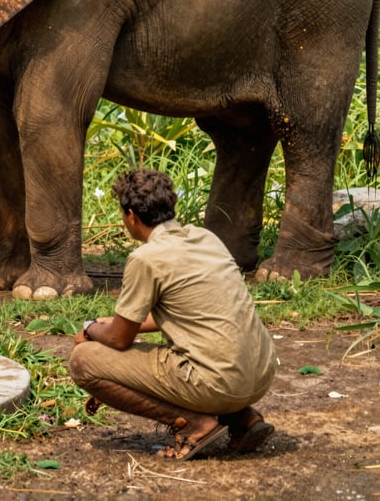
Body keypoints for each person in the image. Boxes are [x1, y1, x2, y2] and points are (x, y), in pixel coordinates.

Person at [69, 169, 278, 460]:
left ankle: (195, 423)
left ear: (131, 216)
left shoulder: (145, 258)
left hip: (219, 382)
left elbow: (118, 339)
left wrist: (90, 328)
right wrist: (112, 323)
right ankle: (242, 418)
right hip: (260, 372)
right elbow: (191, 313)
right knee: (210, 357)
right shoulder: (205, 238)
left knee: (83, 361)